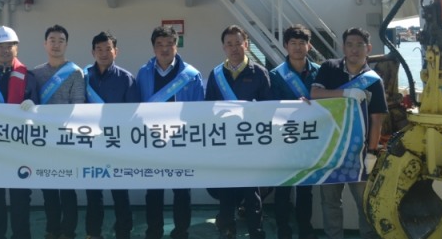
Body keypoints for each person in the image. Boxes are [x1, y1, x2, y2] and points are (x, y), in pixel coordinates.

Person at [310, 28, 388, 239]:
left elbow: (377, 119)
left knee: (365, 202)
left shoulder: (374, 80)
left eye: (359, 45)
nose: (354, 49)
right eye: (350, 44)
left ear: (368, 48)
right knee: (330, 202)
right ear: (343, 48)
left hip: (359, 153)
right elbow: (315, 93)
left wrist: (372, 152)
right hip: (330, 149)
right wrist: (345, 93)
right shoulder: (329, 68)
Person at [136, 26, 205, 239]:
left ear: (176, 46)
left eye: (169, 44)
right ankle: (154, 232)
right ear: (153, 47)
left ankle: (181, 232)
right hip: (153, 142)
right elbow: (137, 108)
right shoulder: (144, 73)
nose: (164, 49)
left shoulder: (191, 75)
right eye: (159, 45)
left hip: (181, 142)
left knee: (182, 191)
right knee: (154, 191)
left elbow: (199, 111)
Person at [204, 25, 270, 239]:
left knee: (252, 191)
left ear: (246, 44)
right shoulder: (216, 74)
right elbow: (208, 108)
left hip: (251, 142)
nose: (234, 48)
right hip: (225, 143)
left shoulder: (259, 73)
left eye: (238, 43)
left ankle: (256, 230)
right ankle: (227, 228)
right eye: (229, 44)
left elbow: (268, 109)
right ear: (223, 47)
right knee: (226, 189)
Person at [0, 26, 40, 239]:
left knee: (20, 199)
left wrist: (33, 104)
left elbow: (38, 105)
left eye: (9, 46)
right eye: (0, 46)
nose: (5, 50)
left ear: (17, 48)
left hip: (19, 148)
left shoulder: (28, 76)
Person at [83, 31, 140, 239]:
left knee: (120, 192)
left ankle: (124, 231)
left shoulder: (126, 79)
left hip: (118, 144)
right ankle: (93, 232)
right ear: (92, 52)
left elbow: (133, 114)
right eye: (99, 49)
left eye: (108, 49)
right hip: (91, 144)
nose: (103, 53)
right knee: (93, 193)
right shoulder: (83, 77)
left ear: (116, 51)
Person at [33, 25, 86, 239]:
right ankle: (52, 230)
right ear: (45, 44)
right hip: (44, 141)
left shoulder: (75, 72)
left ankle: (68, 231)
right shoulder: (35, 73)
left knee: (67, 190)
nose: (56, 45)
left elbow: (78, 106)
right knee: (48, 190)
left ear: (66, 44)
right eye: (52, 40)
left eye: (61, 40)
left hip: (66, 141)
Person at [268, 25, 321, 239]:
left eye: (302, 43)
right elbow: (271, 106)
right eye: (293, 43)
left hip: (311, 138)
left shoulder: (320, 72)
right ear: (286, 46)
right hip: (285, 139)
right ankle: (283, 229)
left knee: (305, 189)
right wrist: (293, 105)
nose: (298, 47)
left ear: (309, 46)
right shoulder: (275, 75)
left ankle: (305, 228)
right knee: (283, 187)